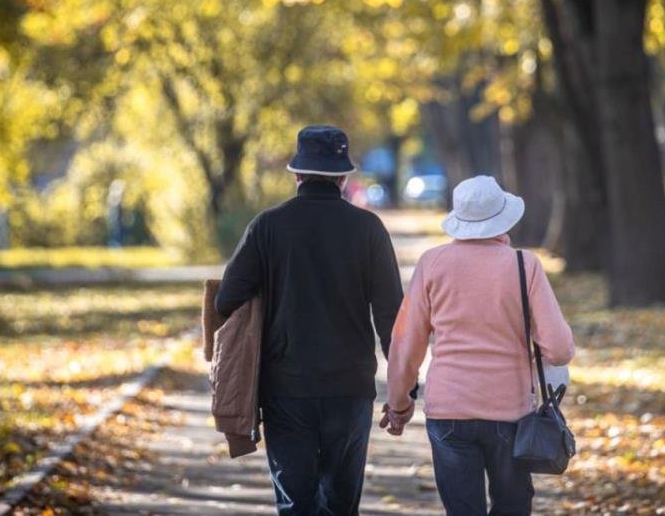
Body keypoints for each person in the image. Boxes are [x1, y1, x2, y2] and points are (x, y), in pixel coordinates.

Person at [215, 125, 404, 515]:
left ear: (297, 174)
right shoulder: (368, 229)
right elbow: (391, 316)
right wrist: (403, 392)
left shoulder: (267, 226)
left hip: (285, 387)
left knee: (296, 503)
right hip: (350, 387)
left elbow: (226, 299)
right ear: (343, 176)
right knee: (340, 504)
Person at [384, 175, 576, 516]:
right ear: (503, 217)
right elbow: (560, 350)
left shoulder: (432, 263)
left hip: (448, 412)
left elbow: (406, 344)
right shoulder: (524, 265)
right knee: (512, 507)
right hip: (511, 413)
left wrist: (399, 404)